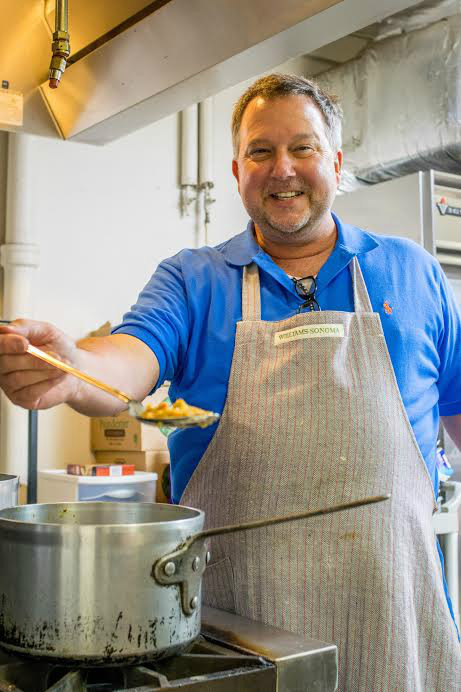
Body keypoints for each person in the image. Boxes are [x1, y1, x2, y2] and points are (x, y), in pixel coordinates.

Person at [0, 73, 460, 692]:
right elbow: (126, 364)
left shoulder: (413, 273)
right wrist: (71, 368)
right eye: (262, 152)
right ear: (237, 169)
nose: (283, 169)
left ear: (337, 161)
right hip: (239, 646)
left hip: (398, 628)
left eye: (303, 148)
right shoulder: (193, 280)